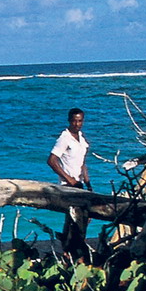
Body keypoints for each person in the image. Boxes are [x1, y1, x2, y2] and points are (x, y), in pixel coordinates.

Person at [48, 108, 90, 254]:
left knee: (82, 219)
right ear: (69, 120)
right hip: (69, 185)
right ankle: (68, 251)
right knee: (75, 219)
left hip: (80, 185)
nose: (77, 124)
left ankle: (71, 250)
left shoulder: (81, 138)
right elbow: (52, 160)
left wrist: (87, 181)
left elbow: (82, 162)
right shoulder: (64, 138)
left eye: (79, 121)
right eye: (74, 121)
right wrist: (69, 179)